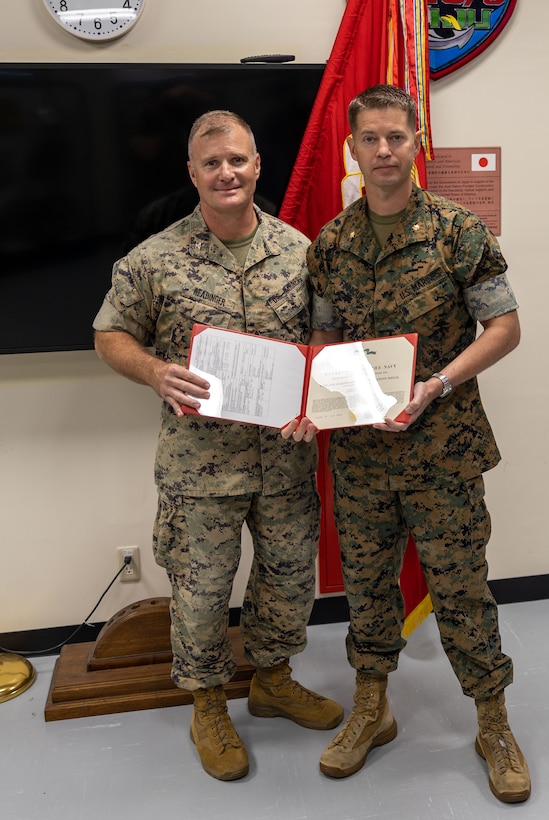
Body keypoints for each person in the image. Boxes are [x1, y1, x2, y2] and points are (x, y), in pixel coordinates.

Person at [286, 85, 531, 803]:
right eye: (372, 140)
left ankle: (493, 722)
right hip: (361, 457)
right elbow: (325, 338)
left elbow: (505, 330)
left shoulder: (459, 232)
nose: (385, 151)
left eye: (397, 137)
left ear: (415, 140)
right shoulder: (331, 244)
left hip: (443, 450)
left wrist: (437, 385)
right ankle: (373, 707)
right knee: (367, 590)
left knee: (461, 590)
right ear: (354, 148)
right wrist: (316, 397)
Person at [93, 110, 343, 782]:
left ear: (257, 165)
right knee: (201, 595)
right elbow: (110, 335)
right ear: (193, 174)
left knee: (290, 582)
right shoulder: (154, 258)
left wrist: (318, 404)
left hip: (285, 459)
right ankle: (207, 703)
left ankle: (273, 678)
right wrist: (151, 369)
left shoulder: (302, 252)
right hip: (199, 466)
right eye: (212, 163)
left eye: (238, 160)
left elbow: (323, 345)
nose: (227, 172)